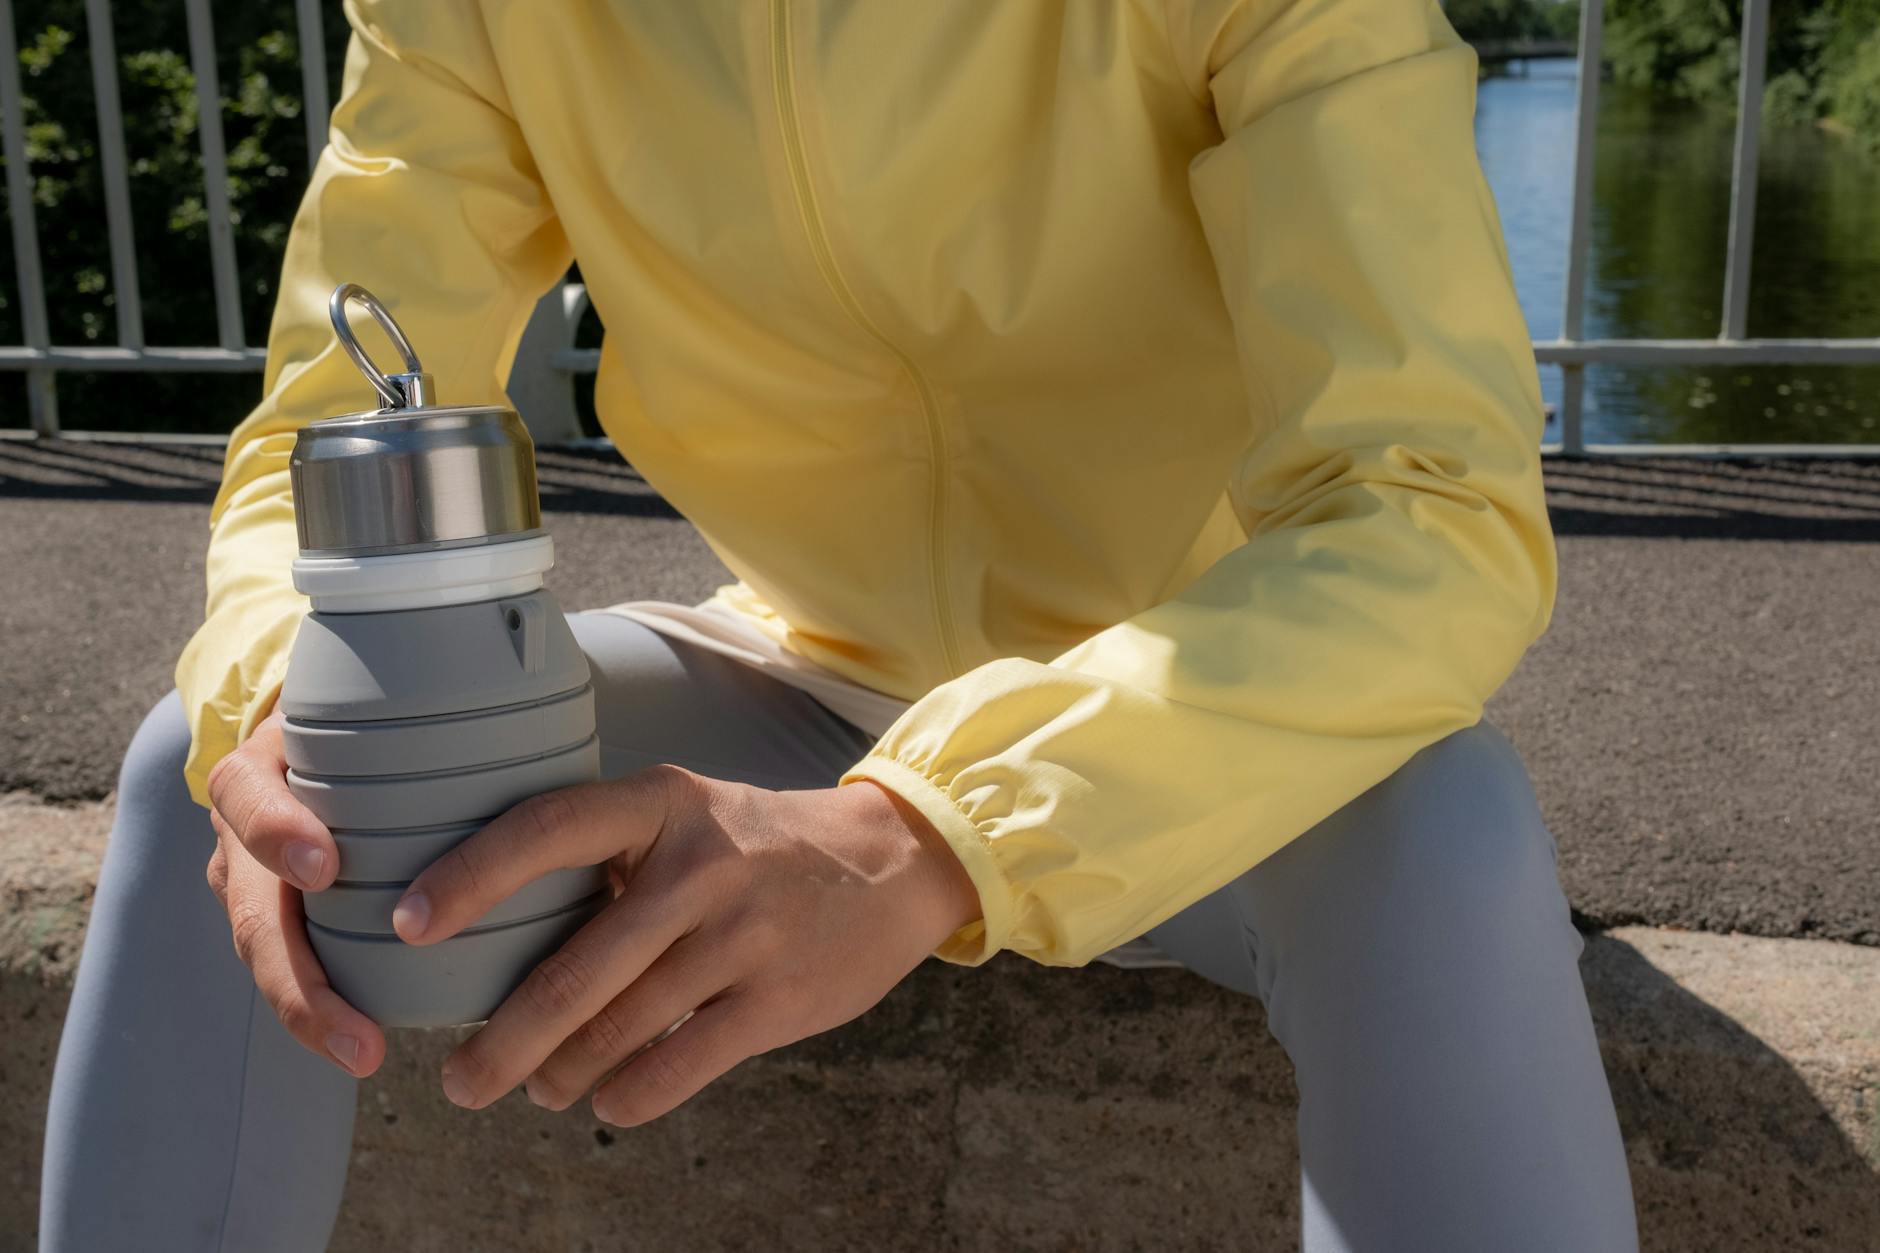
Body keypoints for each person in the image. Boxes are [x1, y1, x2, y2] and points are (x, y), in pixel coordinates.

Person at [39, 2, 1640, 1250]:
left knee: (1448, 826)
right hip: (806, 669)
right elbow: (328, 427)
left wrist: (928, 832)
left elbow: (1432, 506)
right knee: (230, 757)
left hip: (1227, 732)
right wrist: (282, 703)